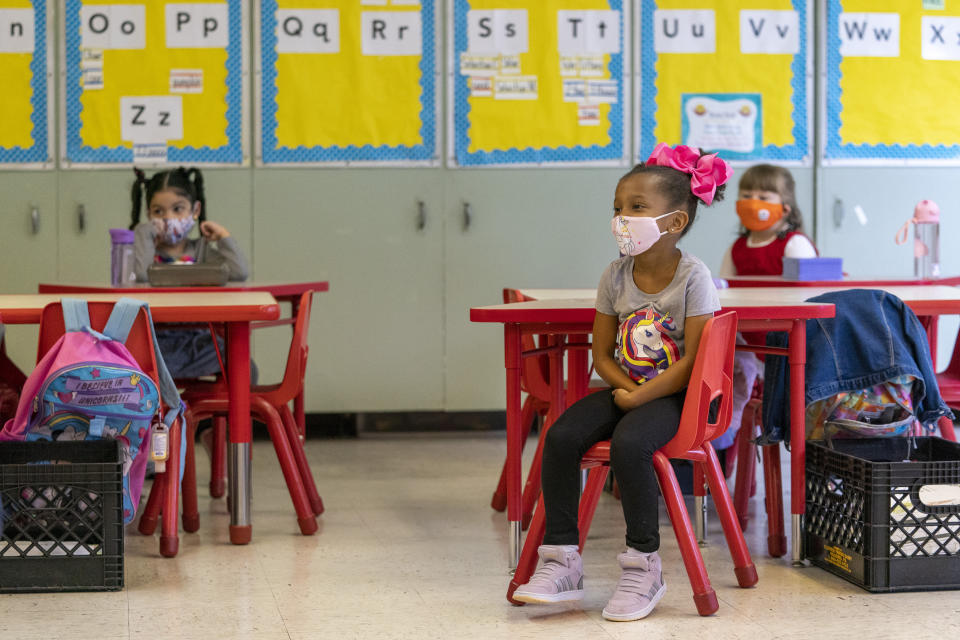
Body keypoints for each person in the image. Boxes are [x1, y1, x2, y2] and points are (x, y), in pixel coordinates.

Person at [511, 144, 730, 622]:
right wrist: (623, 390)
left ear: (674, 223)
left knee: (632, 445)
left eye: (636, 208)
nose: (621, 218)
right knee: (562, 435)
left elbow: (694, 360)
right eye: (617, 208)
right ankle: (562, 560)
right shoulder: (615, 274)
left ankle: (644, 566)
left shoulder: (694, 276)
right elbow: (601, 352)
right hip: (623, 388)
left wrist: (642, 396)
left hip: (674, 396)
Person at [129, 167, 251, 380]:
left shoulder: (201, 251)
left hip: (198, 341)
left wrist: (223, 237)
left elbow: (239, 273)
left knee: (244, 365)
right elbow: (142, 276)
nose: (168, 218)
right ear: (148, 214)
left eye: (178, 209)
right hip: (157, 343)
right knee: (140, 364)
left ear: (195, 210)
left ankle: (229, 413)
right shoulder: (145, 253)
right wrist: (142, 233)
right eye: (158, 212)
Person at [718, 163, 816, 277]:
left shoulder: (795, 244)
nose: (752, 205)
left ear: (785, 209)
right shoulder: (736, 248)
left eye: (763, 198)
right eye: (746, 196)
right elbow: (724, 286)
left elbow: (806, 290)